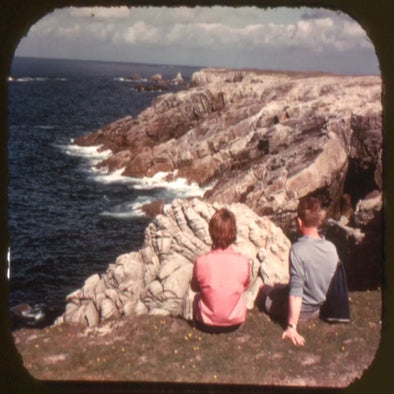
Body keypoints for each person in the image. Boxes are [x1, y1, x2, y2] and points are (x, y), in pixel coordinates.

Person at [259, 196, 339, 346]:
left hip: (301, 311)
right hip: (318, 307)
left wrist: (291, 327)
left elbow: (296, 292)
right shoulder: (331, 248)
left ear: (299, 222)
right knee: (280, 286)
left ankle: (275, 300)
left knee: (265, 290)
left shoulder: (297, 250)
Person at [191, 208, 250, 333]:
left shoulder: (201, 261)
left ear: (211, 233)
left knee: (196, 297)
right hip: (235, 323)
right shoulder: (243, 261)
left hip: (206, 325)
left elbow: (194, 287)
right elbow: (245, 286)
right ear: (233, 232)